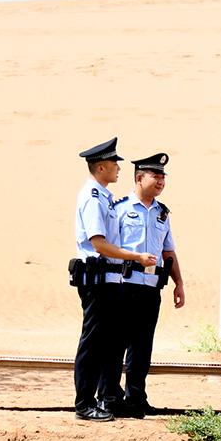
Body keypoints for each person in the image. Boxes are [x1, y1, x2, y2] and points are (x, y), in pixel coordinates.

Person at [69, 138, 160, 422]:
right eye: (114, 163)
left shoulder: (105, 197)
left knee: (104, 343)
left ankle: (104, 399)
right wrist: (136, 257)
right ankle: (84, 403)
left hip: (109, 280)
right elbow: (99, 244)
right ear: (101, 167)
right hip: (96, 279)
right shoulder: (93, 197)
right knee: (92, 343)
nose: (119, 168)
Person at [101, 153, 186, 417]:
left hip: (151, 287)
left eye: (163, 177)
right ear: (139, 177)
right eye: (155, 176)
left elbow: (168, 252)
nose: (161, 182)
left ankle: (136, 398)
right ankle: (109, 397)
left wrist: (179, 283)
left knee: (142, 346)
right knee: (115, 344)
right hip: (123, 284)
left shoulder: (162, 213)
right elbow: (107, 247)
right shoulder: (119, 208)